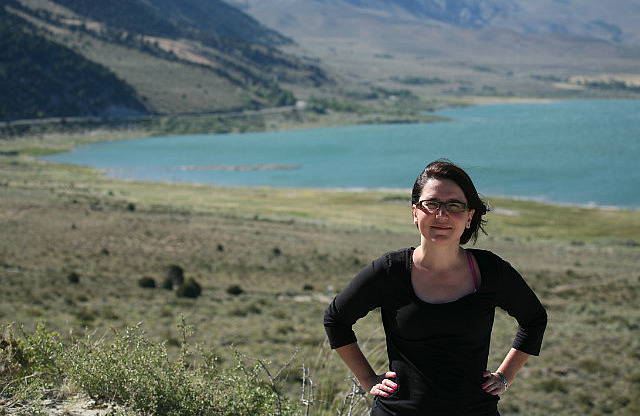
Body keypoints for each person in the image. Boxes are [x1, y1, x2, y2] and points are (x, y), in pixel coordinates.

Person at [324, 160, 547, 415]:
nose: (442, 215)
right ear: (415, 213)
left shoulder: (491, 271)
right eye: (431, 204)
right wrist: (367, 380)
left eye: (454, 205)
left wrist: (505, 376)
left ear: (469, 216)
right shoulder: (389, 271)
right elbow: (335, 320)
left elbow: (535, 319)